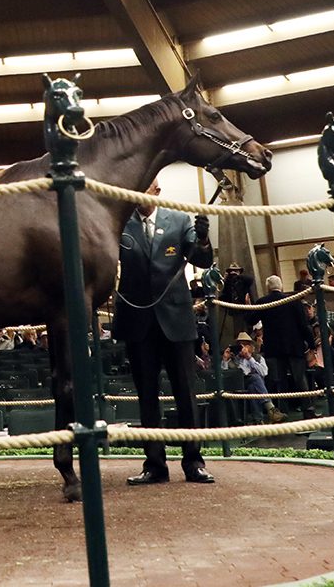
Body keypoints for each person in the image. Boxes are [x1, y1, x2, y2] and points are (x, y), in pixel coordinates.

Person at [113, 178, 215, 485]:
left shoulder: (180, 219)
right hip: (138, 321)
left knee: (186, 394)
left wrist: (203, 238)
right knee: (147, 397)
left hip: (176, 320)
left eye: (148, 186)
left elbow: (201, 259)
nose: (143, 191)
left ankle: (194, 463)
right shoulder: (119, 223)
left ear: (156, 191)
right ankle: (154, 464)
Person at [257, 275, 317, 419]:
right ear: (281, 286)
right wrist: (312, 344)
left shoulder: (262, 302)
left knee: (279, 381)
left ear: (267, 288)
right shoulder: (293, 301)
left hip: (274, 348)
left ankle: (282, 411)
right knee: (300, 379)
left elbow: (250, 319)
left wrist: (249, 304)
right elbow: (304, 326)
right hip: (293, 346)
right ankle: (307, 410)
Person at [222, 332, 285, 424]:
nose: (243, 347)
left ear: (251, 346)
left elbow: (264, 372)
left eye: (245, 344)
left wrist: (249, 358)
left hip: (253, 386)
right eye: (240, 345)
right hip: (237, 384)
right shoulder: (233, 359)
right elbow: (223, 374)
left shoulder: (257, 358)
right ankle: (271, 408)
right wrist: (225, 359)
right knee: (255, 378)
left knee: (253, 386)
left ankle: (258, 420)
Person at [220, 262, 256, 332]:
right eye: (231, 271)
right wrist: (226, 280)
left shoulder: (243, 280)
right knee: (237, 330)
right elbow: (224, 295)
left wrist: (238, 276)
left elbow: (250, 280)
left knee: (248, 329)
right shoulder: (229, 282)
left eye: (236, 271)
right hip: (235, 310)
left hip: (246, 309)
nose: (233, 273)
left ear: (239, 271)